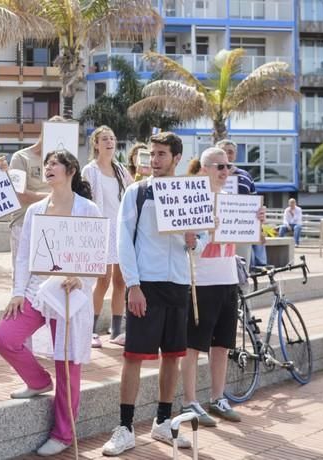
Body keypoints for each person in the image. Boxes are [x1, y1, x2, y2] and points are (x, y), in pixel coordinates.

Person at [102, 132, 205, 456]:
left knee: (173, 355)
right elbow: (123, 241)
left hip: (178, 285)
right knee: (133, 356)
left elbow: (198, 244)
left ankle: (162, 421)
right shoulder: (137, 192)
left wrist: (194, 241)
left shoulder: (191, 193)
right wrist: (133, 284)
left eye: (161, 155)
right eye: (152, 154)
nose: (155, 161)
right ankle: (125, 426)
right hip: (146, 284)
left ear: (176, 158)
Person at [0, 150, 97, 457]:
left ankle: (64, 434)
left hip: (70, 295)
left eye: (55, 164)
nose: (49, 168)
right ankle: (38, 381)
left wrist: (81, 278)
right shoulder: (37, 210)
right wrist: (17, 292)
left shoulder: (88, 209)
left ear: (71, 170)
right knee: (4, 338)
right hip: (38, 291)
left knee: (68, 365)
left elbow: (97, 253)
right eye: (47, 164)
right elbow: (24, 254)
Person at [179, 147, 264, 427]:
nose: (225, 172)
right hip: (201, 283)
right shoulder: (194, 200)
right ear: (204, 169)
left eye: (228, 166)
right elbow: (190, 246)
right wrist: (205, 235)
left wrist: (257, 223)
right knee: (193, 346)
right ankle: (189, 401)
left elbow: (257, 240)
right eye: (219, 167)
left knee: (222, 346)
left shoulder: (232, 200)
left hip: (228, 281)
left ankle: (217, 398)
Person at [81, 126, 133, 348]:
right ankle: (90, 330)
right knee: (102, 280)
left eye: (112, 138)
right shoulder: (89, 170)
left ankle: (116, 330)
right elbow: (84, 200)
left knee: (120, 281)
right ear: (96, 144)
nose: (110, 142)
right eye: (104, 139)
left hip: (120, 229)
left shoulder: (121, 169)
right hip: (100, 230)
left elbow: (132, 191)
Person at [9, 115, 65, 279]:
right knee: (22, 277)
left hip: (54, 225)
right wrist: (54, 197)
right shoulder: (20, 157)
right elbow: (20, 195)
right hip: (24, 223)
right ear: (44, 131)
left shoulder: (64, 163)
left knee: (52, 278)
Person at [216, 139, 267, 267]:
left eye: (230, 152)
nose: (227, 154)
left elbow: (255, 205)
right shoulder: (208, 175)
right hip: (217, 232)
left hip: (242, 232)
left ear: (235, 154)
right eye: (224, 151)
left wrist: (259, 229)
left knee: (243, 272)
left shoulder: (246, 176)